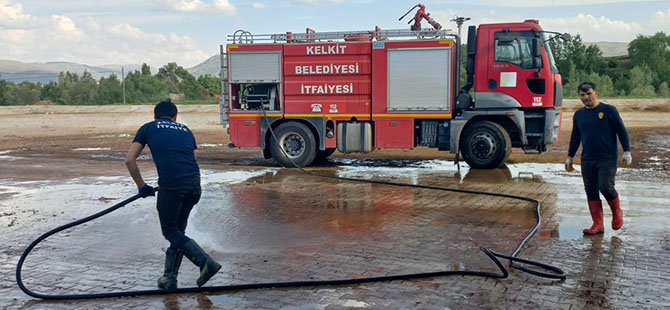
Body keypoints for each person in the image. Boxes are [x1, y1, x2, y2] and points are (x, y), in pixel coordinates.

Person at [125, 101, 221, 289]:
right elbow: (191, 160)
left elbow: (130, 160)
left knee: (170, 232)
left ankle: (205, 263)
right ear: (176, 117)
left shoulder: (148, 128)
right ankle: (169, 278)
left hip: (172, 186)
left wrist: (142, 186)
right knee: (178, 233)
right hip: (194, 185)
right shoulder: (185, 130)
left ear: (155, 116)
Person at [566, 82, 631, 235]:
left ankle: (617, 212)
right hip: (588, 159)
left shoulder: (609, 111)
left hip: (607, 158)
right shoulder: (579, 115)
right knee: (591, 190)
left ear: (596, 93)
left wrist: (627, 151)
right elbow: (575, 136)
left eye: (589, 94)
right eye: (582, 95)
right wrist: (570, 156)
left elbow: (622, 131)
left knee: (605, 187)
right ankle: (598, 224)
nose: (586, 98)